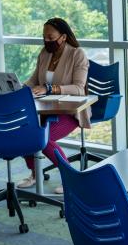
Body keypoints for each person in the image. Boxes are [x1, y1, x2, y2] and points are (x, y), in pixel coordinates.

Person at [17, 17, 89, 194]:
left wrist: (51, 88)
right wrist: (19, 89)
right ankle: (35, 174)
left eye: (50, 37)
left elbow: (79, 89)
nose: (46, 41)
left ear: (63, 37)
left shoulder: (77, 54)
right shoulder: (45, 53)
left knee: (42, 138)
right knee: (24, 132)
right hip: (42, 109)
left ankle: (70, 177)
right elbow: (34, 80)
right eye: (44, 37)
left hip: (69, 111)